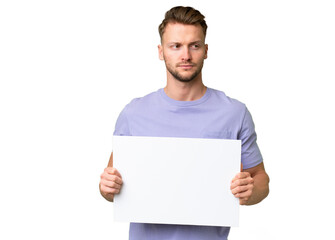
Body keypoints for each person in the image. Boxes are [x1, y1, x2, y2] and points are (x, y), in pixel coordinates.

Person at [99, 6, 270, 240]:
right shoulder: (134, 113)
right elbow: (112, 187)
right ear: (161, 51)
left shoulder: (234, 113)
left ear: (206, 50)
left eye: (194, 46)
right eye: (176, 46)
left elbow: (260, 179)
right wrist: (107, 187)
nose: (186, 55)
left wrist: (250, 191)